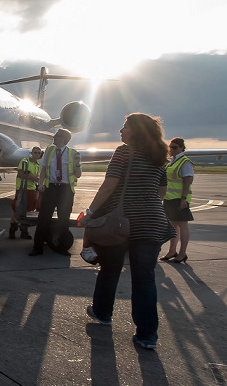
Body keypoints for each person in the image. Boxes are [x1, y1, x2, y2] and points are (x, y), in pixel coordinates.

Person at [80, 113, 176, 350]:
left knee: (110, 269)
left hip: (121, 223)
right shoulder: (158, 156)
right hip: (153, 222)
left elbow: (109, 185)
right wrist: (147, 206)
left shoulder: (123, 152)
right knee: (145, 278)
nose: (121, 131)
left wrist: (90, 212)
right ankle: (147, 335)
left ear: (136, 130)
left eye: (125, 127)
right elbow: (161, 191)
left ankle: (103, 312)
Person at [29, 128, 81, 256]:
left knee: (64, 220)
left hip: (65, 190)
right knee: (43, 219)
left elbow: (78, 175)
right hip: (51, 188)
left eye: (57, 136)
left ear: (63, 139)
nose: (54, 137)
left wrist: (78, 163)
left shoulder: (73, 153)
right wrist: (41, 184)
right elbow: (43, 170)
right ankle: (37, 248)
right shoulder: (49, 151)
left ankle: (62, 248)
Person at [160, 137, 194, 263]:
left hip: (179, 199)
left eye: (174, 147)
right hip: (169, 198)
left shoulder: (185, 162)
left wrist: (184, 198)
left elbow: (187, 180)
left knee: (183, 225)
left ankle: (182, 253)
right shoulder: (172, 162)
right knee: (173, 226)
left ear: (181, 148)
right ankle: (172, 251)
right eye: (170, 147)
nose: (171, 149)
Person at [9, 147, 42, 239]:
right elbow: (20, 173)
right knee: (16, 208)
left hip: (31, 189)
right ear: (31, 153)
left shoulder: (39, 165)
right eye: (35, 152)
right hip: (22, 189)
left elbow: (36, 176)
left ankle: (24, 231)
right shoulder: (24, 161)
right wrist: (34, 178)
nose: (37, 154)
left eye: (39, 153)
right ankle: (12, 230)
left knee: (28, 210)